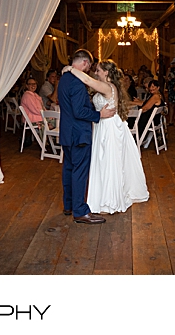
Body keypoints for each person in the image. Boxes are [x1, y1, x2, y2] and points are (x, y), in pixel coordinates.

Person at [66, 59, 149, 214]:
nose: (95, 73)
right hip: (103, 126)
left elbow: (86, 79)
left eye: (98, 70)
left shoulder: (107, 86)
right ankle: (103, 198)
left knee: (108, 162)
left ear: (106, 72)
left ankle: (109, 202)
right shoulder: (107, 87)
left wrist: (70, 68)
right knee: (104, 161)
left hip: (109, 127)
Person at [58, 49, 116, 224]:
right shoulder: (76, 82)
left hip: (67, 133)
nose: (90, 70)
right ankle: (80, 211)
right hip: (79, 135)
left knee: (68, 169)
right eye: (90, 66)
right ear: (85, 63)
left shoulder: (64, 79)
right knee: (79, 172)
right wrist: (99, 115)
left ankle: (68, 205)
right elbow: (79, 111)